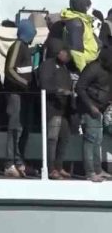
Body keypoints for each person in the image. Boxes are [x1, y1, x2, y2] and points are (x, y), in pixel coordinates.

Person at [3, 20, 37, 177]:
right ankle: (10, 163)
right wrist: (25, 83)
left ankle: (20, 161)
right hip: (15, 94)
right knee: (14, 128)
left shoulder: (25, 48)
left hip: (24, 95)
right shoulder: (17, 46)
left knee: (24, 128)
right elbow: (10, 69)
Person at [76, 47, 112, 182]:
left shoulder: (108, 70)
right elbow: (79, 87)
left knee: (98, 140)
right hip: (89, 108)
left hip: (101, 108)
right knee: (90, 139)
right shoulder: (93, 68)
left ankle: (97, 169)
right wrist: (90, 106)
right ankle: (90, 172)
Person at [39, 39, 73, 180]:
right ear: (58, 52)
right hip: (52, 108)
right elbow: (44, 84)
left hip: (64, 110)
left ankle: (59, 166)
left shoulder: (64, 67)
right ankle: (51, 167)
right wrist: (59, 91)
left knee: (64, 138)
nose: (67, 55)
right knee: (52, 139)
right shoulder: (47, 66)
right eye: (65, 52)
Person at [61, 0, 99, 72]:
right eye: (89, 6)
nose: (92, 8)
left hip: (90, 64)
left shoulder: (83, 20)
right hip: (80, 67)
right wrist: (84, 72)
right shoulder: (76, 23)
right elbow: (76, 51)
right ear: (84, 7)